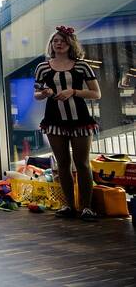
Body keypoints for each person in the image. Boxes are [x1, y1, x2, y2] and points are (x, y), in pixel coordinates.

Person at [33, 26, 102, 221]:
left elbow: (96, 93)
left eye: (63, 40)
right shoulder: (42, 68)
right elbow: (37, 94)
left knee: (82, 164)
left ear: (70, 44)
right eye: (55, 40)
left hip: (80, 120)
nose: (59, 43)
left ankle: (87, 207)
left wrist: (74, 92)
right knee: (62, 164)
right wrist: (44, 93)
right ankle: (69, 205)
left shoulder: (82, 66)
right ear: (51, 44)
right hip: (54, 121)